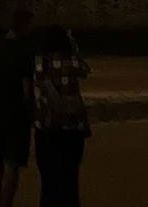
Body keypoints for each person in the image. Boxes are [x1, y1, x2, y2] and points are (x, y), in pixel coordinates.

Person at [33, 25, 91, 207]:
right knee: (70, 177)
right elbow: (85, 70)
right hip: (73, 125)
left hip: (47, 125)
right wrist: (73, 44)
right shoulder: (73, 61)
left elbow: (36, 77)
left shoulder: (41, 61)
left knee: (49, 179)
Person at [0, 8, 35, 207]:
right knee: (12, 166)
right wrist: (31, 112)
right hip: (16, 114)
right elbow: (26, 88)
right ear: (23, 25)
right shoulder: (23, 52)